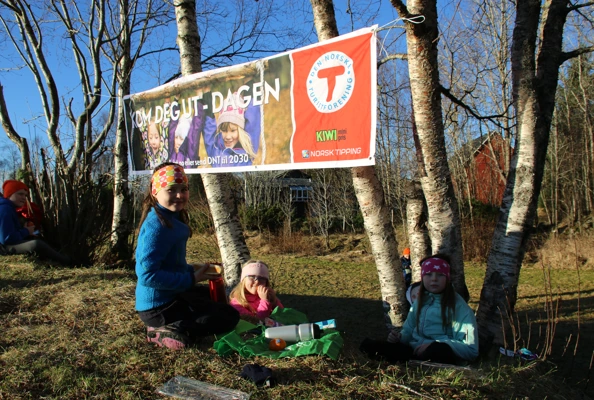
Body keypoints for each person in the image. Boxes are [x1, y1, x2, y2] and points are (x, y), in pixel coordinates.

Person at [135, 162, 239, 349]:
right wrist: (190, 279)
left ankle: (174, 323)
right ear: (155, 191)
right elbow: (147, 275)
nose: (179, 195)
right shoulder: (156, 227)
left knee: (215, 298)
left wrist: (198, 270)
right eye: (172, 190)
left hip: (171, 295)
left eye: (184, 189)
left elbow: (171, 265)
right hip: (157, 307)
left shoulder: (171, 218)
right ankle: (163, 330)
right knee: (229, 317)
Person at [360, 254, 478, 364]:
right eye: (428, 274)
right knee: (368, 345)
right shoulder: (420, 302)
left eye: (440, 275)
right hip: (414, 350)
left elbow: (470, 350)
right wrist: (398, 338)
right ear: (422, 277)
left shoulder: (458, 306)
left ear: (447, 278)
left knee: (438, 350)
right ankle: (411, 361)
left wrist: (433, 344)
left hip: (440, 352)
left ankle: (414, 362)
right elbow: (408, 331)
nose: (434, 279)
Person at [0, 180, 71, 265]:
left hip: (6, 244)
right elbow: (6, 239)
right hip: (3, 248)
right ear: (9, 195)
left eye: (25, 195)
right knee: (36, 244)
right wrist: (26, 231)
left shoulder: (10, 208)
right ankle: (68, 262)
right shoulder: (5, 209)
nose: (24, 197)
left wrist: (26, 231)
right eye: (20, 194)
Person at [203, 93, 261, 168]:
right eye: (224, 130)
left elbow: (253, 120)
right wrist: (207, 95)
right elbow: (209, 131)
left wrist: (249, 86)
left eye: (233, 130)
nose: (228, 136)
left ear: (240, 131)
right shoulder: (215, 150)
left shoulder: (247, 150)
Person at [229, 260, 283, 325]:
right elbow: (256, 322)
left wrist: (274, 300)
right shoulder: (237, 302)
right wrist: (265, 301)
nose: (257, 282)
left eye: (262, 278)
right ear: (243, 280)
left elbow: (282, 314)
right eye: (252, 277)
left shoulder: (266, 295)